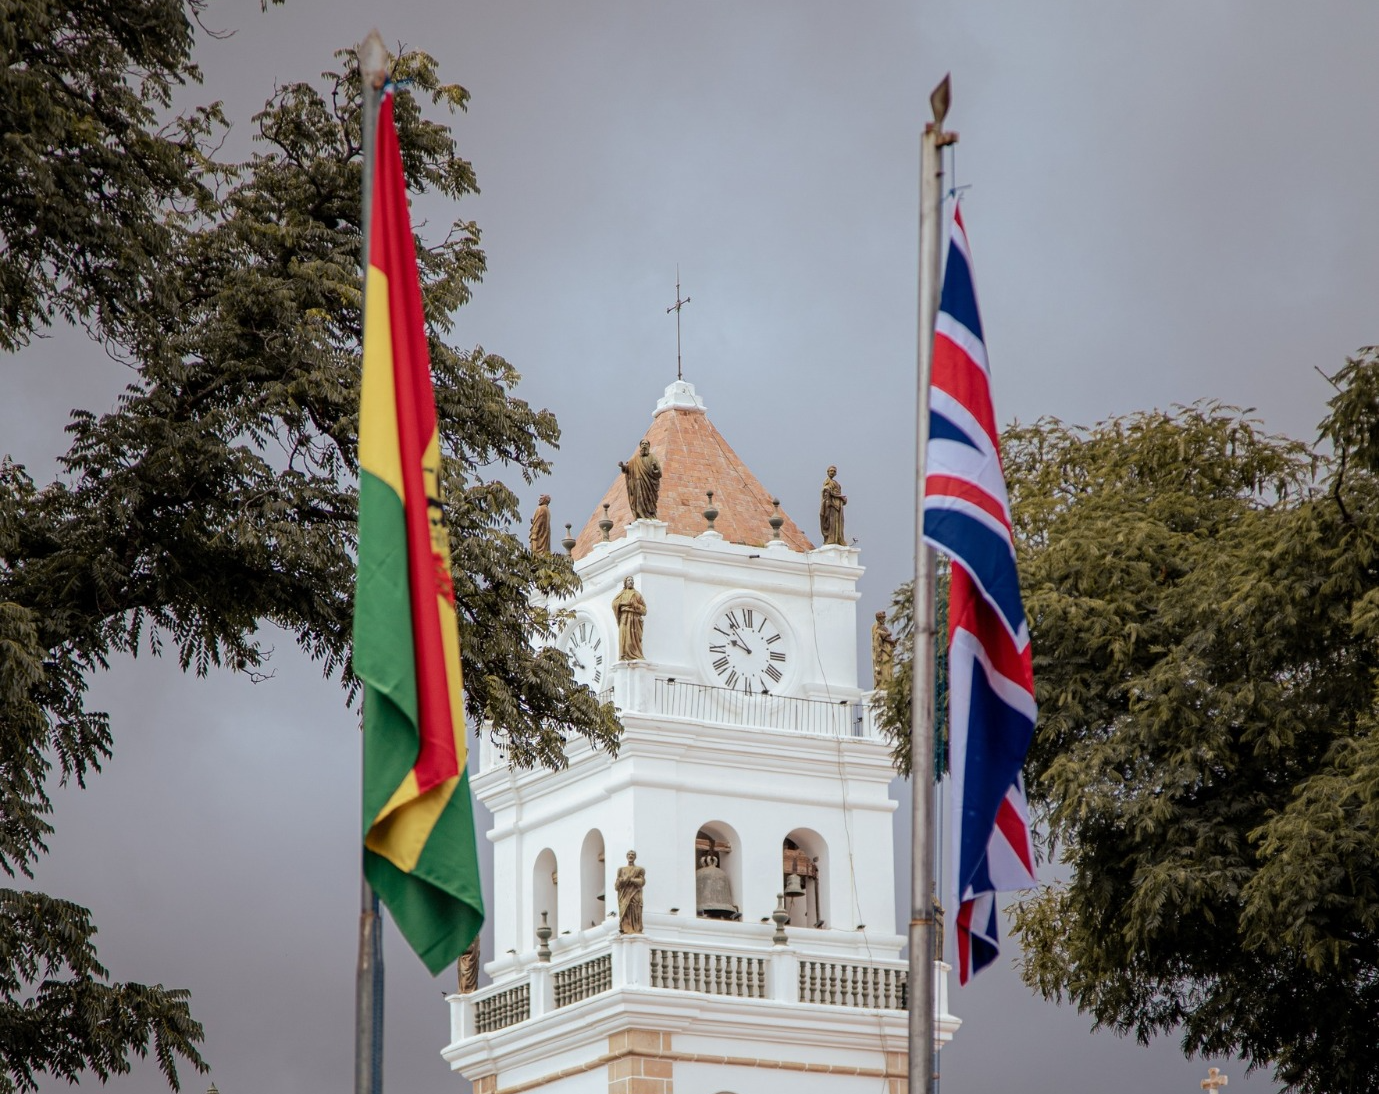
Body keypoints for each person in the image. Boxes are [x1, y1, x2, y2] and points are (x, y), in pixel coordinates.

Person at [619, 439, 662, 520]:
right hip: (638, 484)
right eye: (643, 444)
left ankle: (650, 514)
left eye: (646, 444)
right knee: (639, 499)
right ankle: (640, 515)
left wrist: (655, 468)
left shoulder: (653, 457)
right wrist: (622, 466)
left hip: (649, 485)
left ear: (649, 446)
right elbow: (629, 468)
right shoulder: (635, 459)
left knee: (649, 500)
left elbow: (659, 473)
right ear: (640, 446)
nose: (644, 445)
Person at [612, 576, 647, 661]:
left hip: (634, 619)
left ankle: (636, 655)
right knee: (624, 640)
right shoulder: (621, 594)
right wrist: (623, 603)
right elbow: (614, 604)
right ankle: (624, 656)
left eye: (632, 580)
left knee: (631, 642)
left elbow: (644, 611)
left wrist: (636, 605)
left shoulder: (637, 595)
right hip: (624, 618)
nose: (630, 582)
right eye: (629, 580)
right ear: (625, 582)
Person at [615, 850, 645, 934]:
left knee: (635, 909)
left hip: (635, 894)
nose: (631, 856)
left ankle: (635, 928)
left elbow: (642, 882)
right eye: (629, 854)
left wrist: (630, 879)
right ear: (626, 856)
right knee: (625, 911)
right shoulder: (621, 870)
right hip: (624, 896)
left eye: (632, 854)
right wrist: (622, 881)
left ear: (635, 857)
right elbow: (617, 886)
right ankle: (625, 928)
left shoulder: (639, 869)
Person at [820, 465, 847, 545]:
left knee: (839, 523)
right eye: (831, 471)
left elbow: (837, 493)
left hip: (839, 505)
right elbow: (826, 493)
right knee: (831, 522)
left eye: (834, 471)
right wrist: (839, 497)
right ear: (827, 472)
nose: (832, 472)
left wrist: (842, 499)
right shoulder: (827, 482)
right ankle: (831, 539)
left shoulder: (837, 484)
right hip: (831, 506)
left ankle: (839, 539)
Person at [871, 610, 895, 688]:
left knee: (888, 667)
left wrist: (891, 641)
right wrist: (886, 634)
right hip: (882, 651)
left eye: (884, 618)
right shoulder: (876, 627)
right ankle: (884, 684)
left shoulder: (883, 627)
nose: (884, 619)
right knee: (884, 667)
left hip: (887, 650)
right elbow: (878, 636)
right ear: (879, 618)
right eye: (882, 618)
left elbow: (887, 637)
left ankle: (888, 683)